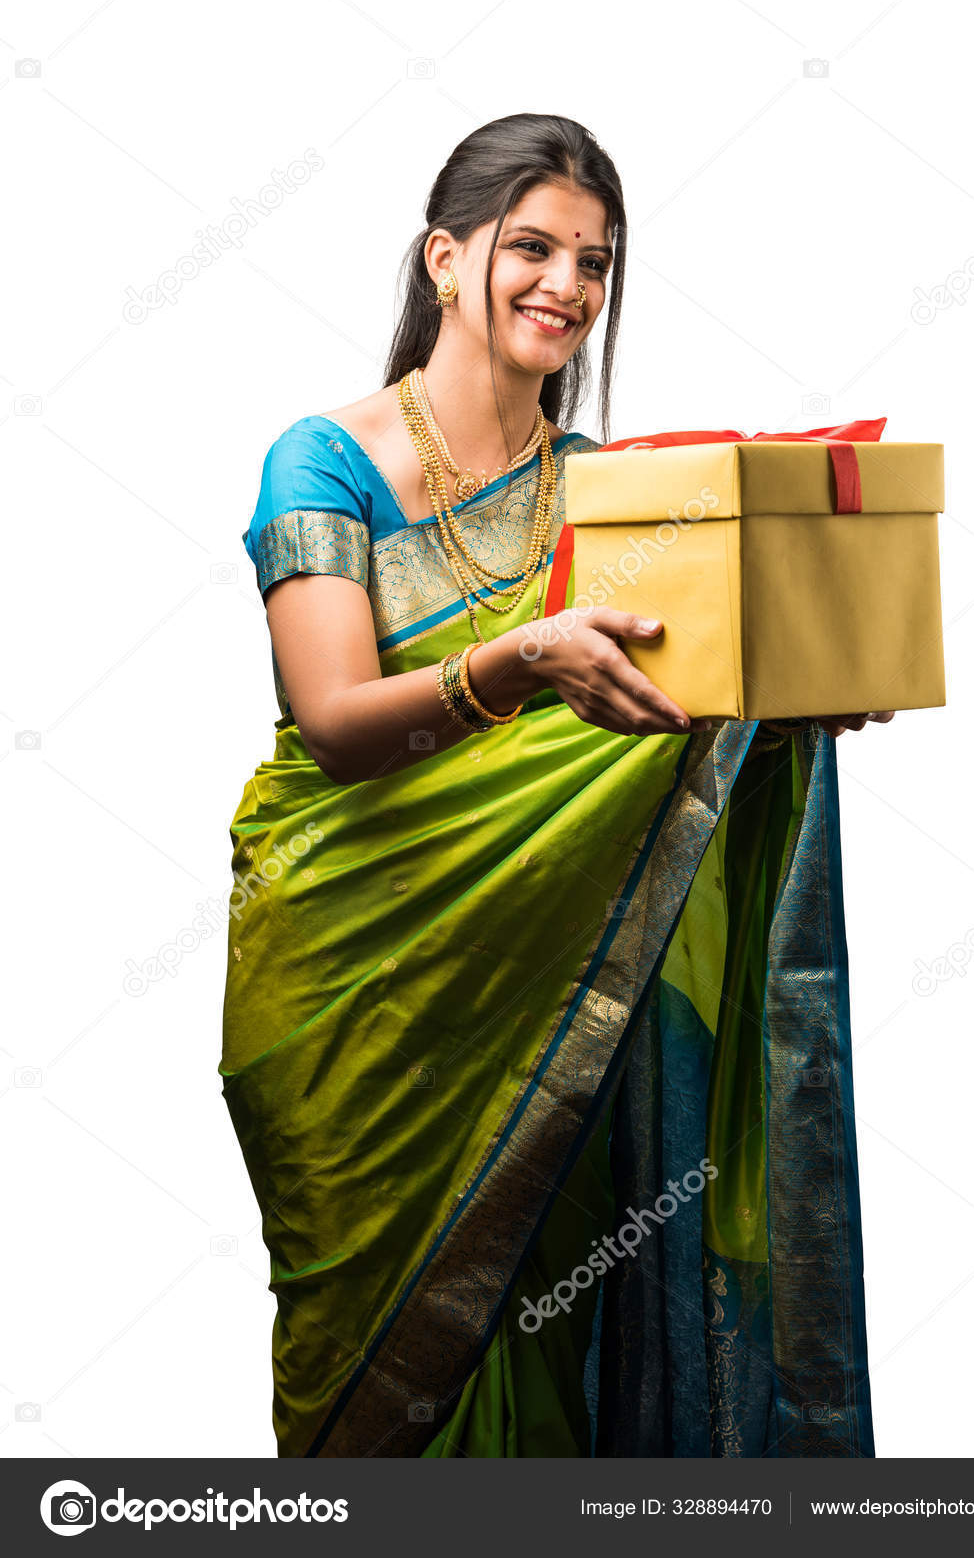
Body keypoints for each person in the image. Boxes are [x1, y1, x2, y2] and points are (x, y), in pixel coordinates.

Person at [219, 112, 891, 1460]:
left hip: (554, 981)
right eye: (532, 247)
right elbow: (337, 721)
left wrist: (796, 693)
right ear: (444, 258)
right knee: (373, 1363)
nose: (567, 287)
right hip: (359, 979)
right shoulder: (326, 461)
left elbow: (686, 710)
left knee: (552, 1321)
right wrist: (521, 661)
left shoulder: (614, 492)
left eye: (595, 260)